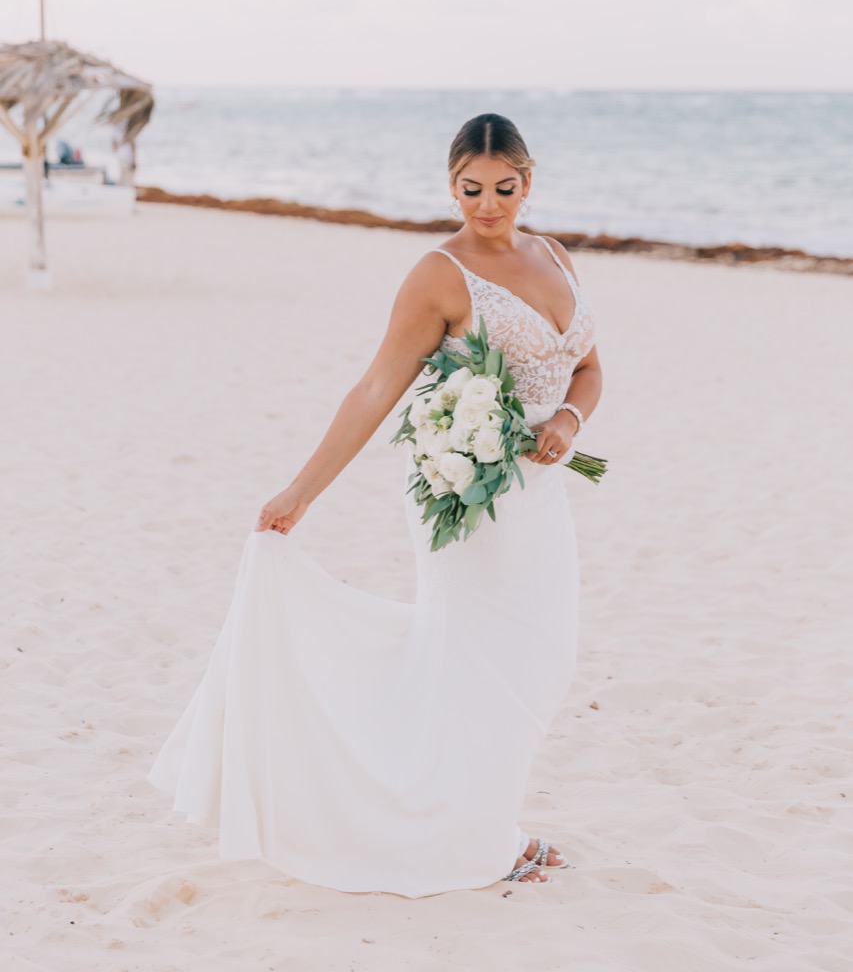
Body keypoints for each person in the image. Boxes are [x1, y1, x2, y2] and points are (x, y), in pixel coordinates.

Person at [148, 114, 602, 896]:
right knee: (476, 661)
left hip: (539, 495)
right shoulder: (438, 273)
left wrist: (567, 420)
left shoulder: (554, 256)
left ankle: (480, 820)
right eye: (469, 190)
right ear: (449, 184)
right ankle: (477, 839)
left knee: (541, 656)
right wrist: (300, 491)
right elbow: (375, 388)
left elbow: (586, 368)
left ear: (527, 182)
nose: (485, 205)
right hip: (468, 501)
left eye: (502, 189)